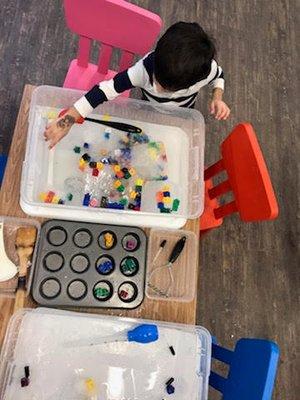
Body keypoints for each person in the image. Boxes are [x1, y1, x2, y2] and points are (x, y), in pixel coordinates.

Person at [44, 22, 230, 148]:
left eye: (165, 87)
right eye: (156, 80)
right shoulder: (143, 71)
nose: (157, 87)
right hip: (149, 108)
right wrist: (66, 121)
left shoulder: (206, 70)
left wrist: (217, 97)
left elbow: (219, 76)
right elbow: (103, 91)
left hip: (184, 111)